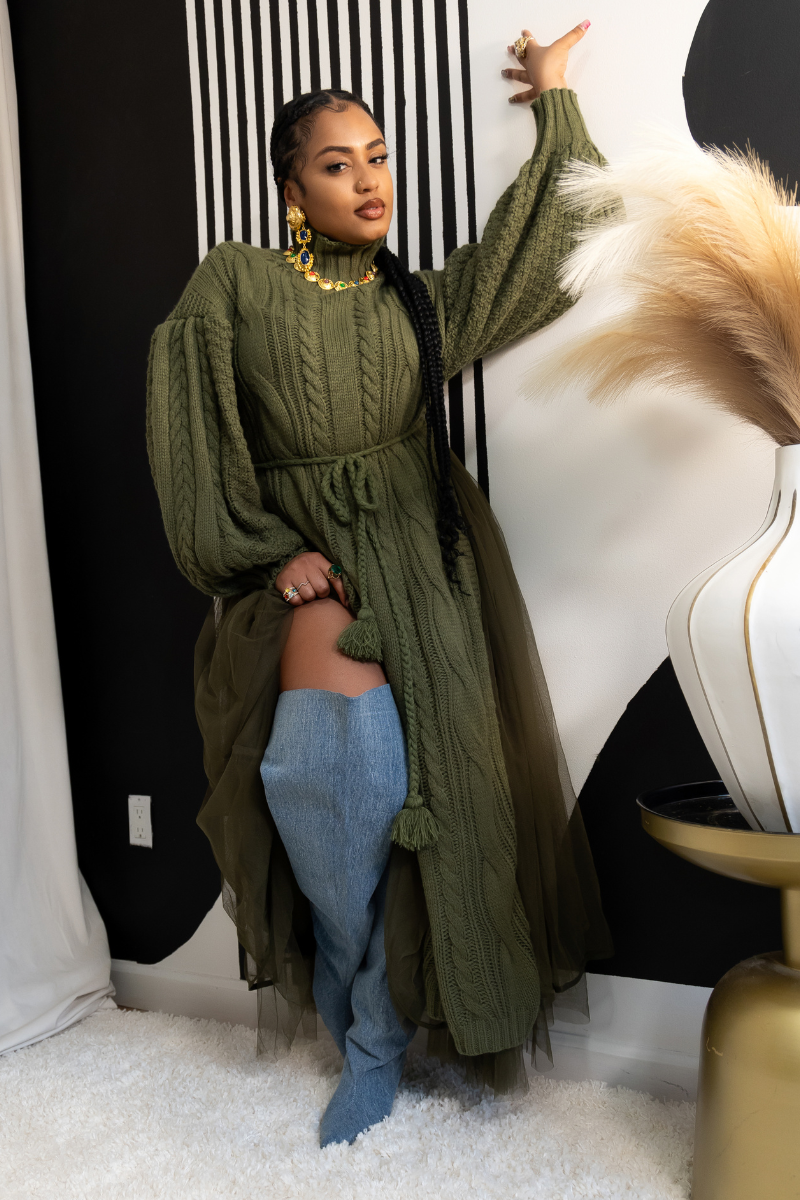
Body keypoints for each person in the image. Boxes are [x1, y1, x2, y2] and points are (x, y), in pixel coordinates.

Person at [146, 22, 611, 1148]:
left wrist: (554, 99)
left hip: (429, 562)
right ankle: (351, 993)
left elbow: (541, 247)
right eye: (336, 163)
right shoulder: (236, 284)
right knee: (334, 787)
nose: (369, 179)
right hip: (315, 562)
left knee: (443, 798)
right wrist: (268, 552)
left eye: (379, 156)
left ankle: (380, 1035)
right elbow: (190, 436)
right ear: (292, 190)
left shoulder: (416, 302)